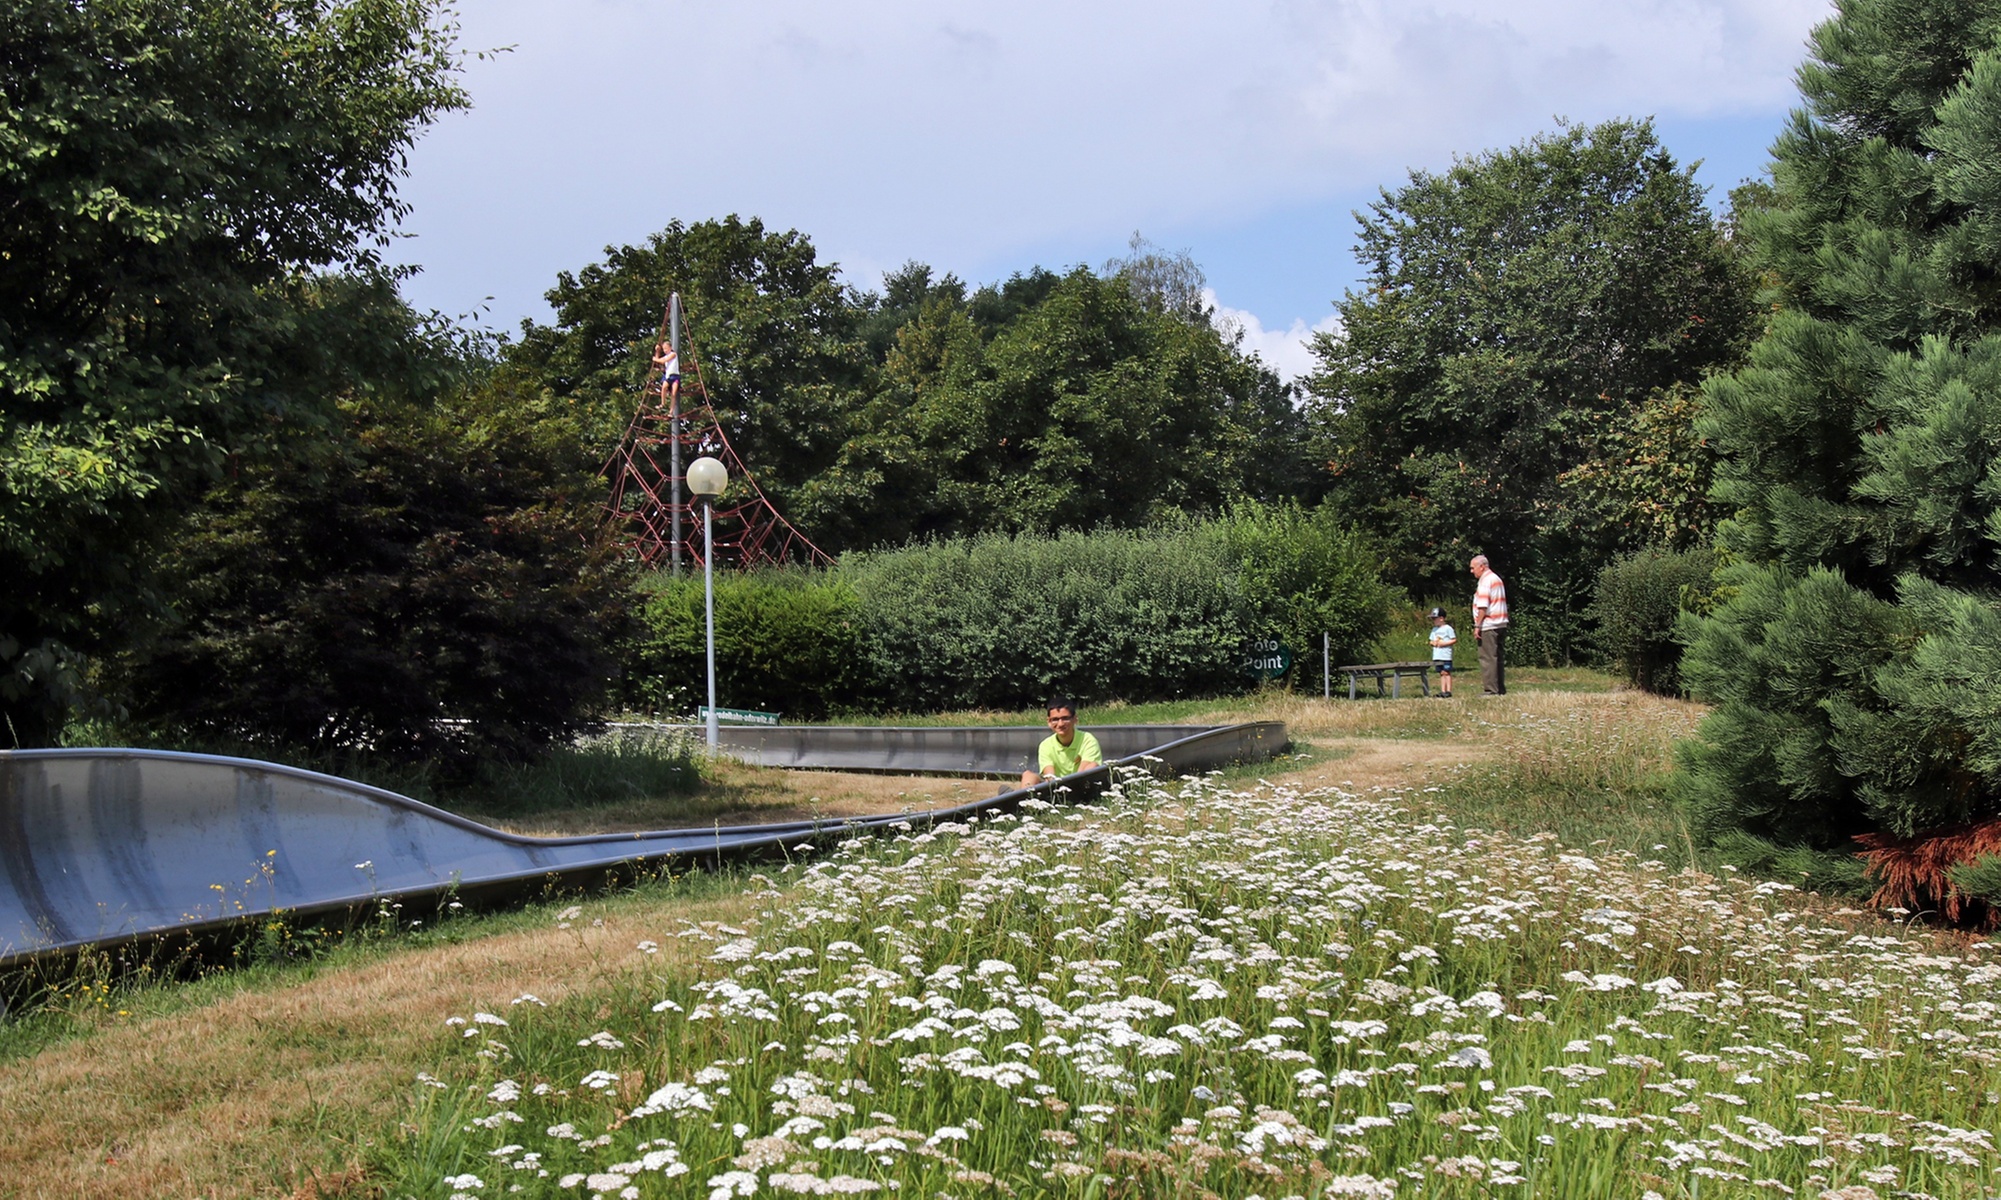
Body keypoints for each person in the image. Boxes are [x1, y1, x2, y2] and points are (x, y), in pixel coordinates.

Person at [1021, 699, 1102, 789]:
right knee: (1028, 775)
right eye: (1055, 719)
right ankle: (1021, 800)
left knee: (1093, 765)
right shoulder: (1045, 745)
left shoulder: (1088, 740)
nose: (1060, 724)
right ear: (1049, 722)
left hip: (1082, 787)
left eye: (1065, 718)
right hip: (1056, 788)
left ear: (1075, 719)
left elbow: (1083, 774)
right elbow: (1049, 776)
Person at [1470, 554, 1509, 696]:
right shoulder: (1496, 579)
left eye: (1473, 568)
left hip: (1489, 624)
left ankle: (1491, 690)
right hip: (1500, 623)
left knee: (1487, 658)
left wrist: (1477, 626)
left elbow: (1483, 606)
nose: (1472, 571)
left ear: (1482, 566)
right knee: (1497, 657)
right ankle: (1500, 689)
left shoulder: (1485, 581)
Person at [1427, 606, 1456, 698]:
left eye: (1435, 619)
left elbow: (1454, 640)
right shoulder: (1434, 630)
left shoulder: (1448, 628)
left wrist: (1444, 643)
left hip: (1446, 655)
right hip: (1437, 655)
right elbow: (1431, 641)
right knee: (1441, 673)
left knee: (1446, 672)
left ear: (1441, 618)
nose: (1434, 621)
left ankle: (1448, 690)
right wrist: (1433, 643)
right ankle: (1443, 691)